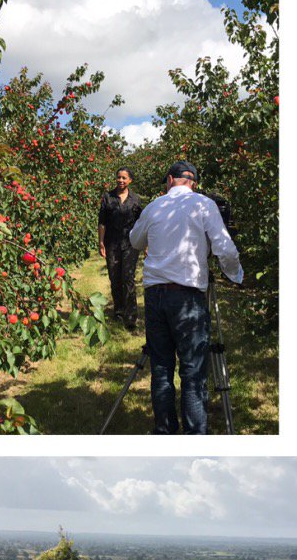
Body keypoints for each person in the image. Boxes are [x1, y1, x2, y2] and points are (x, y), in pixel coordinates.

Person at [128, 161, 243, 435]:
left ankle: (164, 431)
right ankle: (195, 435)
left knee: (161, 367)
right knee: (193, 370)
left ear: (170, 180)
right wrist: (235, 274)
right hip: (188, 296)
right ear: (193, 182)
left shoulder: (154, 206)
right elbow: (225, 247)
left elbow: (134, 241)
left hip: (155, 294)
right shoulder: (204, 204)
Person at [98, 168, 144, 330]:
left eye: (124, 178)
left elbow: (142, 224)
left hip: (130, 244)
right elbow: (102, 222)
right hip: (112, 244)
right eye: (118, 177)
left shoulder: (136, 200)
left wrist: (145, 244)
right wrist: (101, 242)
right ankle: (118, 311)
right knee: (115, 277)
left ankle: (131, 315)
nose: (120, 180)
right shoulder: (108, 197)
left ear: (130, 180)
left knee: (128, 277)